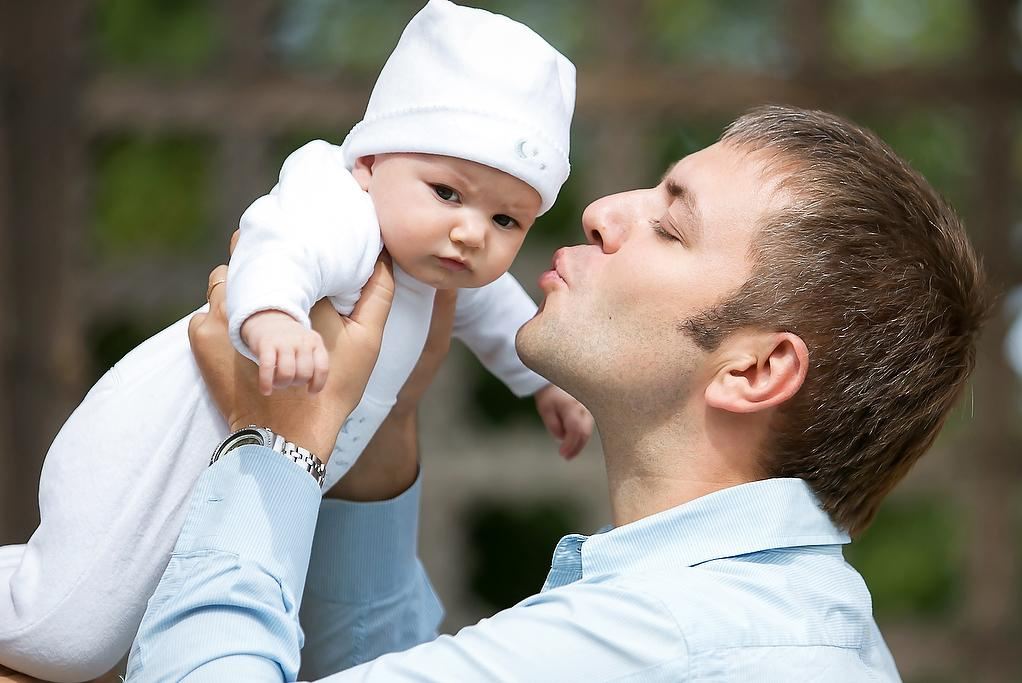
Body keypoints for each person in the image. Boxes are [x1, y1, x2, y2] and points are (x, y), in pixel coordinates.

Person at [124, 105, 989, 681]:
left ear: (755, 370)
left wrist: (272, 444)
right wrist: (381, 424)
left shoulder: (673, 638)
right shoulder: (747, 620)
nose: (603, 209)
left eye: (671, 224)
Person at [0, 2, 592, 680]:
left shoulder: (437, 263)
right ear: (369, 161)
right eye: (447, 192)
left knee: (145, 625)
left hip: (252, 460)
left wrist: (543, 381)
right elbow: (276, 245)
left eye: (506, 218)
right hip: (163, 437)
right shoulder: (342, 209)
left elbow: (502, 317)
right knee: (64, 635)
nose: (472, 233)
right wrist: (274, 317)